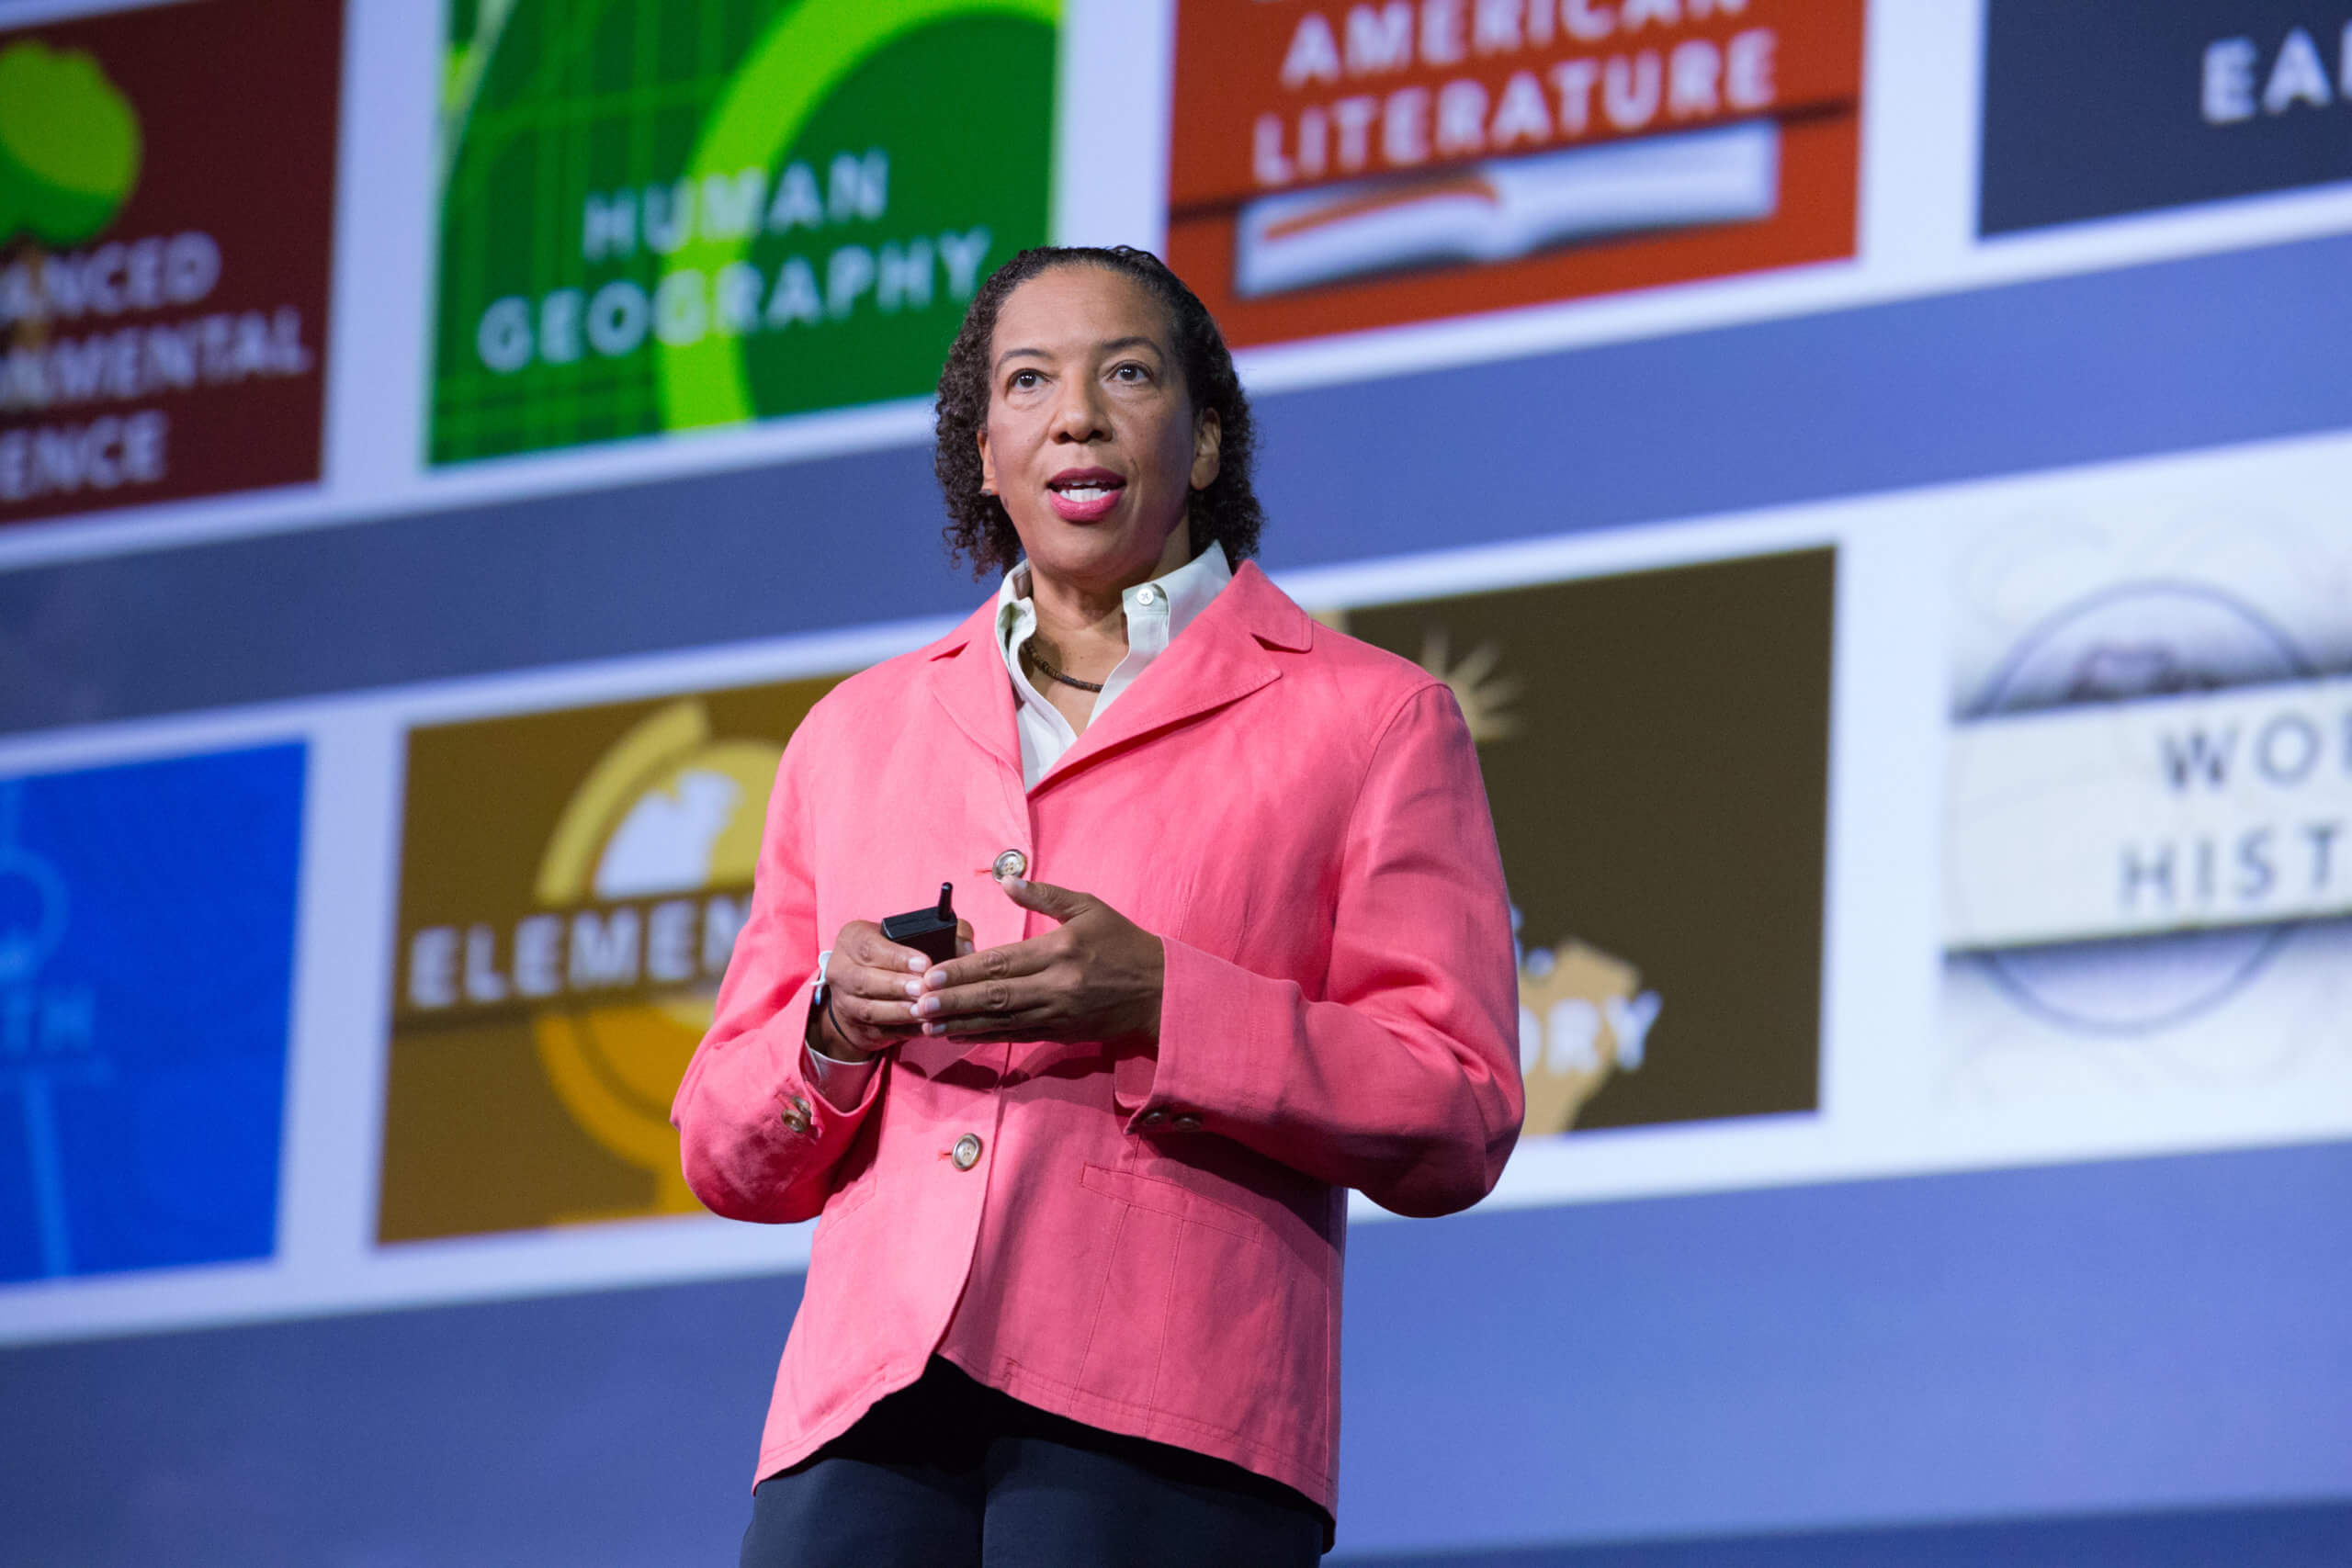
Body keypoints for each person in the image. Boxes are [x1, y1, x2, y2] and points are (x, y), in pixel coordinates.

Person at [673, 245, 1523, 1566]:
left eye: (1126, 373)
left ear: (1201, 444)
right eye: (1028, 382)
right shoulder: (853, 735)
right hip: (862, 1420)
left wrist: (1165, 1003)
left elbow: (1455, 1103)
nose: (1075, 411)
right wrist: (835, 1031)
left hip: (1173, 1415)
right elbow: (726, 1145)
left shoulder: (1370, 721)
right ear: (985, 455)